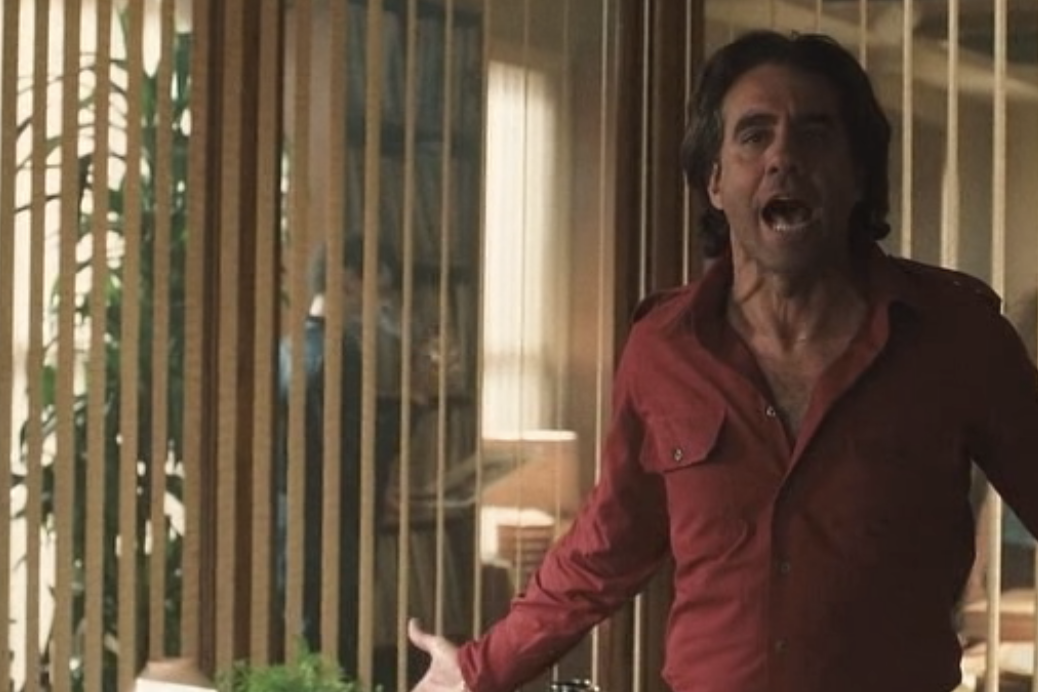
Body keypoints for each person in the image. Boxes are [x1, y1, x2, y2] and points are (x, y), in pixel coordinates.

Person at [407, 29, 1038, 692]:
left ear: (857, 174)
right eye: (754, 135)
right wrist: (475, 671)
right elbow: (607, 546)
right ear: (714, 180)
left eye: (814, 132)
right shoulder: (663, 349)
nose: (782, 157)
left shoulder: (956, 335)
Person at [275, 235, 402, 674]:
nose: (381, 304)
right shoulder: (341, 355)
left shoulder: (288, 348)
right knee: (333, 650)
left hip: (289, 521)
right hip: (330, 529)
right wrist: (411, 413)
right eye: (379, 289)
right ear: (349, 278)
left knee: (302, 649)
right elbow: (353, 457)